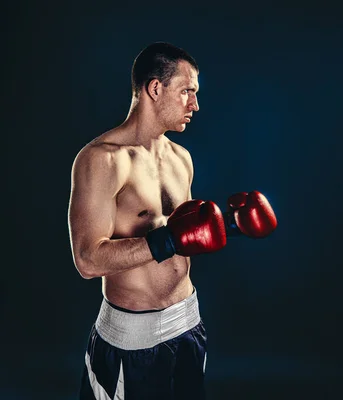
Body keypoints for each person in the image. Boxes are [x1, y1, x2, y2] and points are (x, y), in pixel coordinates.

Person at [68, 42, 277, 400]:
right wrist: (169, 240)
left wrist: (231, 225)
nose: (195, 105)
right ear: (154, 89)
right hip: (132, 338)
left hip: (187, 324)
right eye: (187, 92)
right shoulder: (101, 160)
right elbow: (88, 260)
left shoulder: (182, 158)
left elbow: (186, 233)